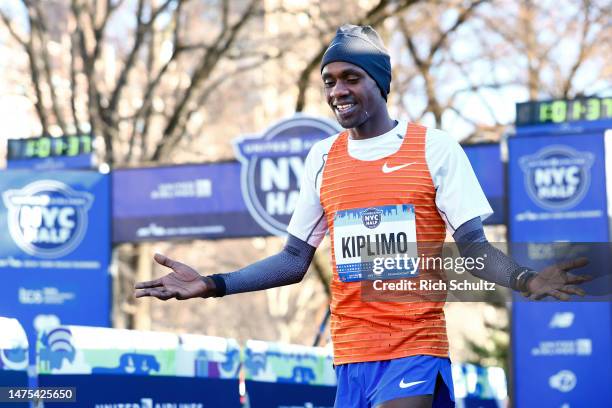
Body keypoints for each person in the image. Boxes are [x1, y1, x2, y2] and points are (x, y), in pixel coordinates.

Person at [135, 25, 591, 408]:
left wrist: (528, 278)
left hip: (416, 348)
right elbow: (293, 261)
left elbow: (475, 249)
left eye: (350, 77)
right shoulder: (322, 157)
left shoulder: (434, 148)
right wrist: (212, 283)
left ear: (379, 83)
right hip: (352, 354)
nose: (337, 91)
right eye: (329, 81)